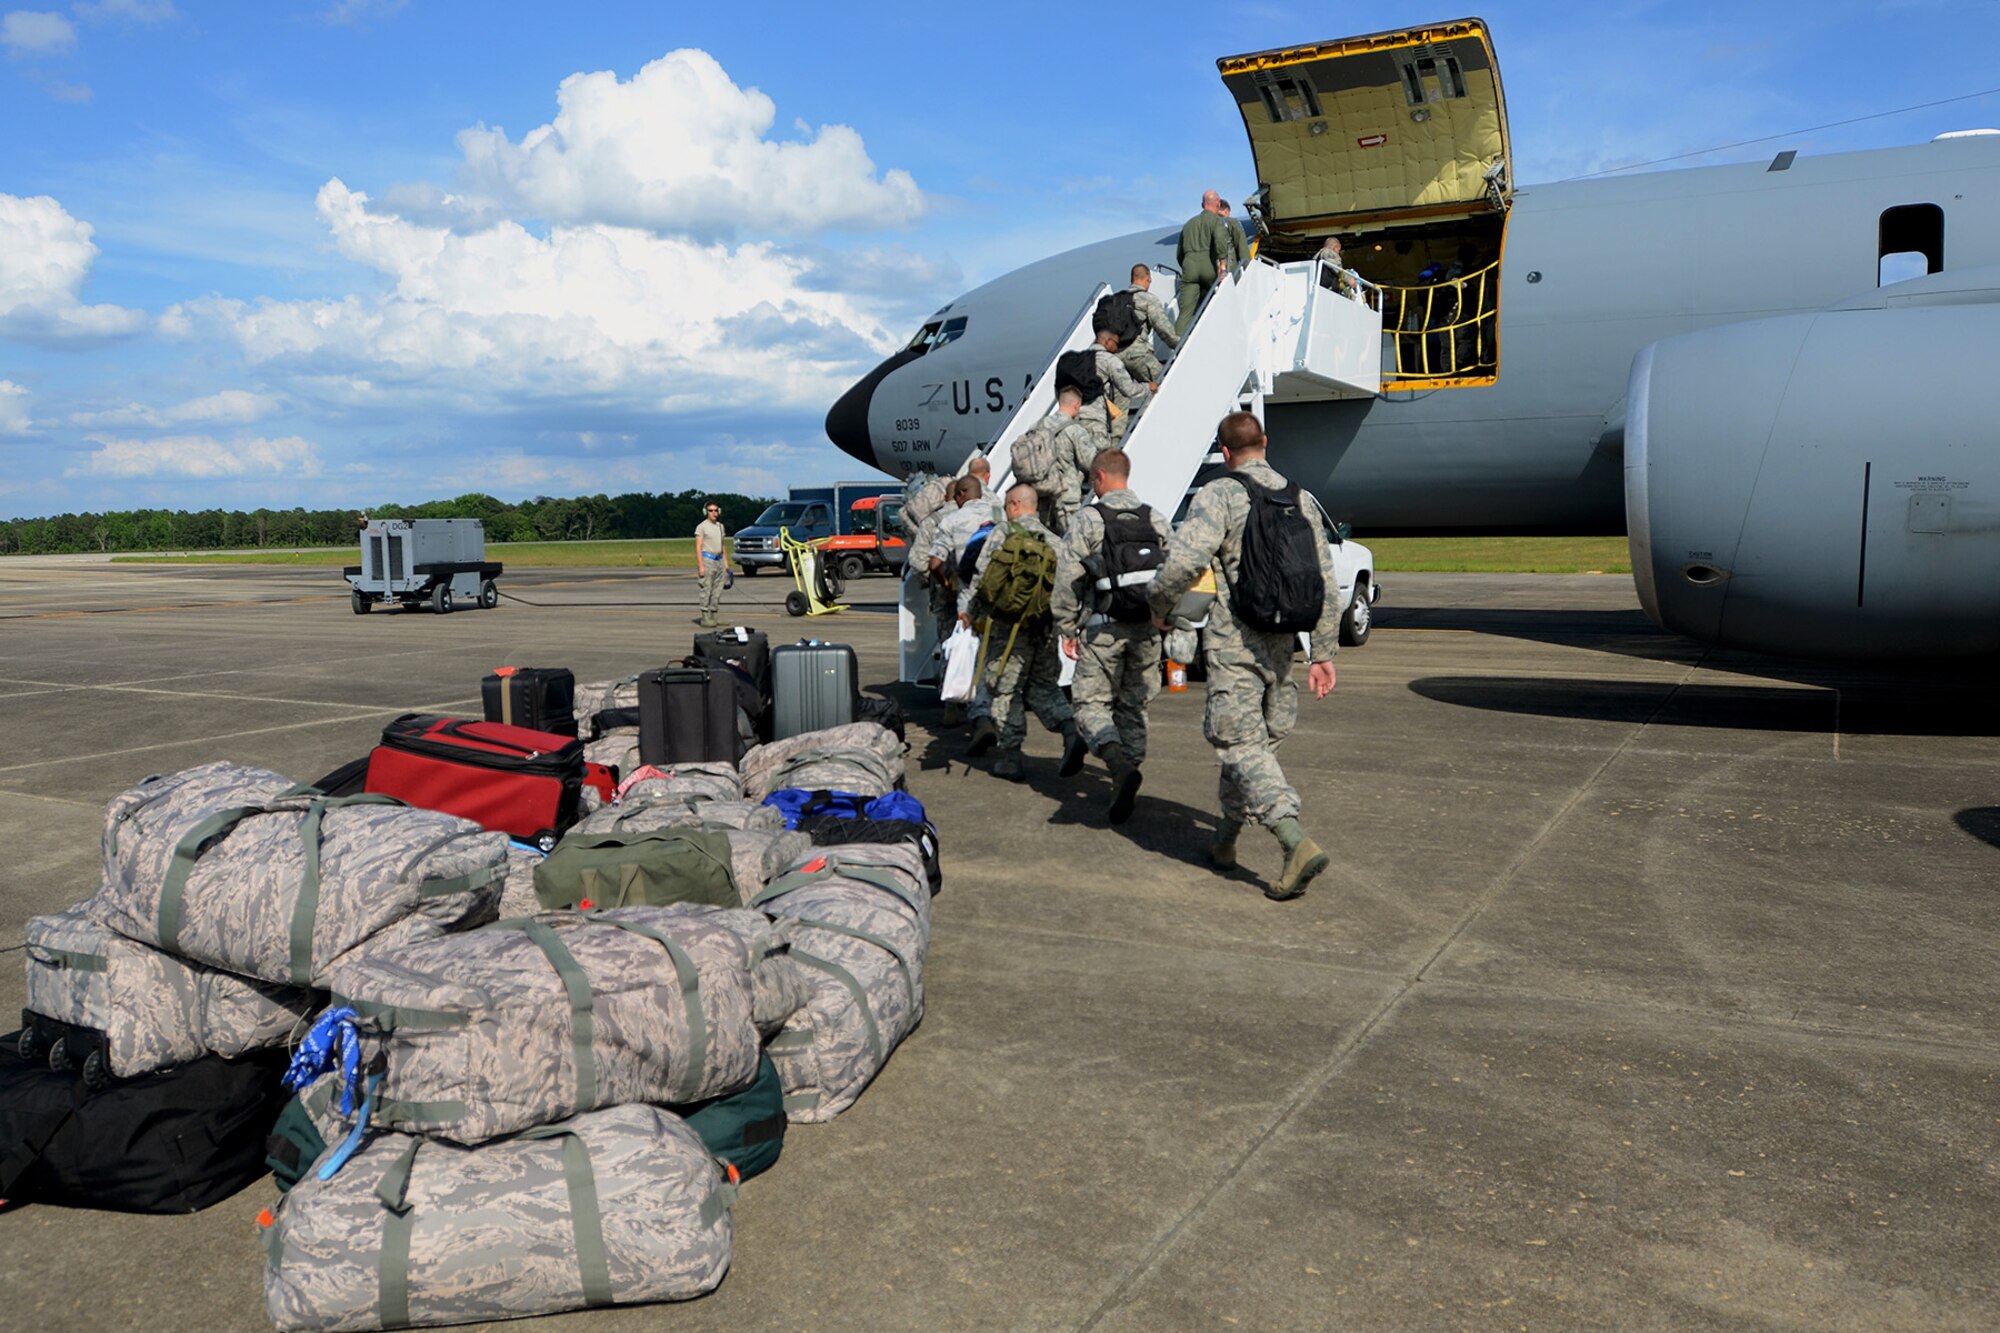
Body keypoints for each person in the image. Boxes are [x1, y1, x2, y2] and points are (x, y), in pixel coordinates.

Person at [1146, 411, 1341, 901]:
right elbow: (1325, 580)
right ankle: (1225, 842)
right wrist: (1322, 652)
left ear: (1225, 452)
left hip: (1234, 645)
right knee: (1253, 746)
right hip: (1282, 646)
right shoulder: (1300, 497)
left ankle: (1293, 840)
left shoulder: (1219, 493)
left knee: (1238, 744)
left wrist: (1158, 606)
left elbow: (1186, 560)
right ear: (1266, 443)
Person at [1052, 448, 1171, 823]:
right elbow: (1176, 571)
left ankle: (1118, 766)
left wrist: (1066, 626)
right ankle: (1127, 775)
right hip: (1148, 630)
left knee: (1089, 704)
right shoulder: (1155, 517)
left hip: (1104, 628)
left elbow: (1067, 577)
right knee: (1134, 705)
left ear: (1099, 477)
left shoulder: (1089, 519)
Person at [961, 482, 1078, 779]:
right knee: (1043, 686)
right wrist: (1068, 628)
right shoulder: (1055, 540)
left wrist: (969, 612)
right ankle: (1070, 729)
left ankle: (1011, 758)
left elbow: (982, 576)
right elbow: (1067, 589)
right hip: (1044, 629)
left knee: (1005, 690)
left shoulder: (1001, 533)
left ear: (1014, 505)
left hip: (1006, 630)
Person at [929, 477, 993, 726]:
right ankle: (989, 712)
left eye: (956, 496)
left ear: (963, 494)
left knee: (961, 650)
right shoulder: (1000, 516)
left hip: (967, 601)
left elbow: (934, 562)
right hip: (997, 599)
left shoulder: (951, 521)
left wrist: (946, 581)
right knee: (990, 657)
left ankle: (954, 707)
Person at [1038, 384, 1104, 537]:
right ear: (1076, 404)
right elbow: (1089, 462)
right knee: (1074, 540)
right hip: (1066, 496)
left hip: (1041, 495)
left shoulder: (1037, 426)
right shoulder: (1075, 430)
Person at [1078, 327, 1154, 448]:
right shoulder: (1110, 360)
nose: (1117, 348)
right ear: (1108, 342)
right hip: (1097, 417)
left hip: (1076, 413)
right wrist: (1148, 387)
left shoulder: (1079, 360)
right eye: (1116, 343)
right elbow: (1129, 389)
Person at [1174, 190, 1234, 339]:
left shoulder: (1188, 224)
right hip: (1208, 266)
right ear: (1218, 204)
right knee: (1215, 303)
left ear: (1202, 205)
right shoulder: (1216, 221)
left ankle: (1176, 348)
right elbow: (1220, 241)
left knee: (1185, 312)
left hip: (1189, 268)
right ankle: (1214, 338)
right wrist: (1223, 264)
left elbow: (1179, 254)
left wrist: (1187, 266)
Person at [1119, 264, 1179, 385]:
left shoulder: (1117, 299)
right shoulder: (1149, 299)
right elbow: (1164, 329)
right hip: (1137, 355)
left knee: (1121, 401)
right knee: (1166, 384)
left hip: (1115, 357)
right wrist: (1179, 345)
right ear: (1147, 278)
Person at [694, 501, 728, 627]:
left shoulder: (720, 526)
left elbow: (722, 545)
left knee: (717, 589)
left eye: (716, 510)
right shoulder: (701, 527)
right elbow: (698, 547)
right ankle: (705, 616)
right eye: (711, 510)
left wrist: (726, 563)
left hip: (719, 560)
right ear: (706, 512)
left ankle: (714, 614)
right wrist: (701, 565)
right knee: (706, 588)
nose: (714, 513)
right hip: (707, 560)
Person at [1218, 198, 1253, 274]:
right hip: (1229, 272)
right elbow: (1242, 250)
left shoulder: (1204, 225)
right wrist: (1249, 270)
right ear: (1226, 210)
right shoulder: (1232, 223)